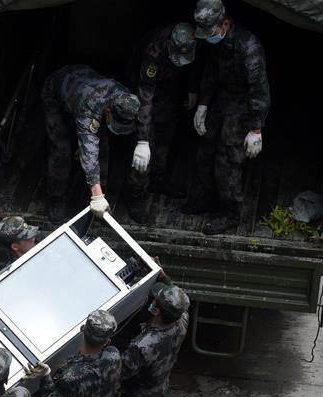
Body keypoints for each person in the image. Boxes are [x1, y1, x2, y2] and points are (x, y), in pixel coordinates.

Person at [184, 0, 270, 236]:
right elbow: (211, 71)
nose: (207, 37)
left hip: (244, 103)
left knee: (228, 160)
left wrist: (256, 129)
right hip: (223, 97)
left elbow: (259, 89)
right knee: (205, 150)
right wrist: (203, 103)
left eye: (211, 32)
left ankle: (231, 212)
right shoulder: (215, 39)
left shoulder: (248, 46)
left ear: (225, 24)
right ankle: (205, 199)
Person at [41, 65, 141, 221]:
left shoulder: (126, 97)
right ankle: (56, 197)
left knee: (102, 145)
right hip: (55, 90)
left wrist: (143, 142)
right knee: (62, 148)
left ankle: (103, 198)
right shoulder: (88, 107)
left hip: (82, 78)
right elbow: (89, 152)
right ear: (108, 112)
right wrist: (96, 196)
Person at [111, 284, 190, 397]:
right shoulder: (182, 323)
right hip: (160, 392)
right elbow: (180, 304)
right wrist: (165, 278)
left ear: (155, 310)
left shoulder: (142, 346)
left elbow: (119, 373)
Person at [127, 23, 199, 224]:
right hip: (144, 87)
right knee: (145, 148)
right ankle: (136, 194)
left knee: (167, 130)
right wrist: (142, 140)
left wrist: (192, 89)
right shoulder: (154, 50)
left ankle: (157, 178)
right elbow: (145, 95)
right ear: (168, 45)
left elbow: (192, 64)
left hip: (169, 85)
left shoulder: (192, 39)